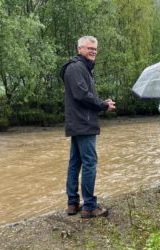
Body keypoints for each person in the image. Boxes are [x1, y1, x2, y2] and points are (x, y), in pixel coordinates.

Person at [60, 36, 116, 218]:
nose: (93, 51)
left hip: (79, 123)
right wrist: (102, 105)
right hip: (83, 124)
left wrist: (101, 103)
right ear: (79, 49)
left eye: (95, 49)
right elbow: (82, 95)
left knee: (75, 163)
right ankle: (89, 206)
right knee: (89, 163)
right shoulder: (75, 67)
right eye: (89, 48)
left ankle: (73, 203)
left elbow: (83, 95)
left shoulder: (81, 68)